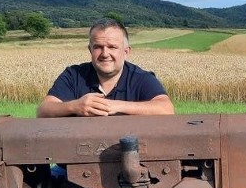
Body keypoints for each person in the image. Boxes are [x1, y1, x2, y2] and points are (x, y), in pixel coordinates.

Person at [37, 19, 174, 117]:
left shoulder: (141, 78)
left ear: (126, 52)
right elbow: (43, 110)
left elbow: (166, 109)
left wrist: (115, 106)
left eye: (112, 47)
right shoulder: (74, 75)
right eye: (98, 47)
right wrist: (75, 106)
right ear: (90, 50)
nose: (105, 54)